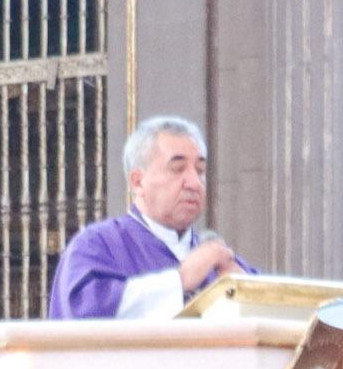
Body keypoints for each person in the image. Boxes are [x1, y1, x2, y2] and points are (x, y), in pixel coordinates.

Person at [46, 116, 253, 321]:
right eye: (177, 169)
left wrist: (248, 293)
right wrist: (180, 280)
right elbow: (82, 313)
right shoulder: (97, 246)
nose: (194, 183)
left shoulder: (219, 260)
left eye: (200, 171)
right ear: (138, 182)